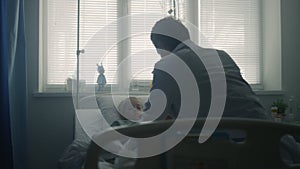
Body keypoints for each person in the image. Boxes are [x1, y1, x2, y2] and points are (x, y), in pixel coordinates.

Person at [144, 16, 270, 120]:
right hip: (269, 135)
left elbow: (152, 118)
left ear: (161, 46)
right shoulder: (222, 56)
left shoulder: (166, 65)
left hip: (219, 144)